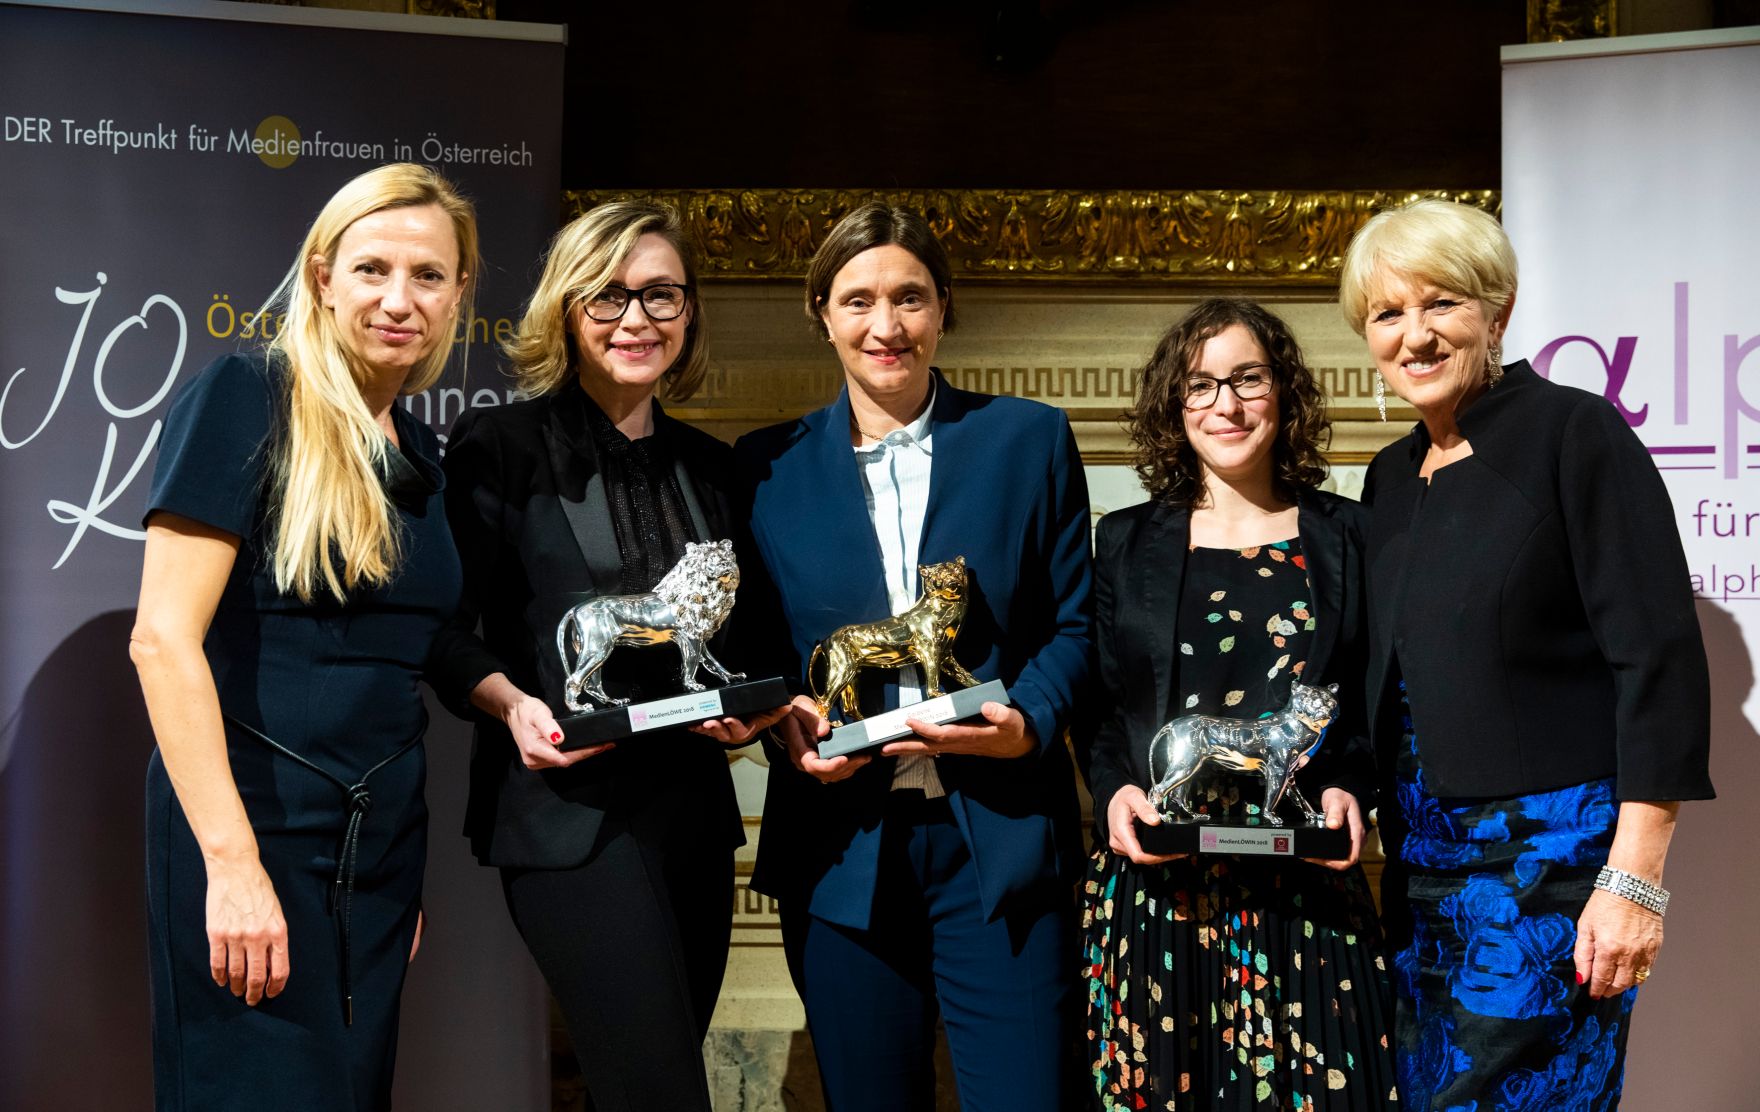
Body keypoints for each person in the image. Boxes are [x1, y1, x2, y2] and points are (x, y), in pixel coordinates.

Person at [1341, 198, 1714, 1108]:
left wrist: (1635, 883)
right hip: (1419, 882)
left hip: (1547, 882)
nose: (1415, 336)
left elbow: (1659, 662)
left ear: (1497, 310)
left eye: (1442, 304)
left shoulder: (1575, 434)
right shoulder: (1389, 476)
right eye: (1388, 313)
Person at [733, 203, 1092, 1112]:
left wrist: (1027, 725)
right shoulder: (765, 467)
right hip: (840, 852)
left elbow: (1075, 624)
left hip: (1001, 841)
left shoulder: (1028, 440)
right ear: (821, 313)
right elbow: (756, 651)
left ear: (944, 308)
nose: (885, 326)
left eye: (910, 298)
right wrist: (785, 725)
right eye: (858, 300)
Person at [132, 163, 476, 1110]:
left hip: (379, 854)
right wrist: (232, 867)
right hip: (255, 837)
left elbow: (405, 661)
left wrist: (387, 875)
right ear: (322, 277)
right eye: (372, 269)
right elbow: (162, 640)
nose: (399, 300)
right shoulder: (246, 394)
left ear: (458, 295)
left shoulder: (423, 452)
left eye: (429, 276)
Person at [428, 200, 781, 1112]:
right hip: (567, 815)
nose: (637, 319)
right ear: (566, 308)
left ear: (689, 310)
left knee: (643, 1087)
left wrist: (753, 710)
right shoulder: (498, 447)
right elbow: (443, 629)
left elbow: (741, 638)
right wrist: (512, 705)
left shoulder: (715, 467)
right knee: (661, 1095)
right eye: (609, 296)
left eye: (661, 294)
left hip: (693, 817)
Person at [1078, 298, 1398, 1110]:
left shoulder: (1350, 534)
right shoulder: (1123, 541)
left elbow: (1375, 699)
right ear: (1174, 402)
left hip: (1307, 890)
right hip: (1161, 888)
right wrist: (1114, 790)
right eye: (1201, 384)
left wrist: (1350, 786)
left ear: (1283, 391)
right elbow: (1103, 704)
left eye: (1248, 379)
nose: (1225, 404)